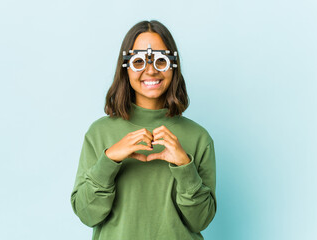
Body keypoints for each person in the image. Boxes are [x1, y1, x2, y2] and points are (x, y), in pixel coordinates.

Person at [70, 20, 217, 240]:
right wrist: (109, 160)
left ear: (173, 65)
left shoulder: (199, 138)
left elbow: (200, 220)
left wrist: (185, 165)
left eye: (161, 61)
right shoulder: (99, 133)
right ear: (126, 67)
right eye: (139, 61)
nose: (151, 70)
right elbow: (87, 214)